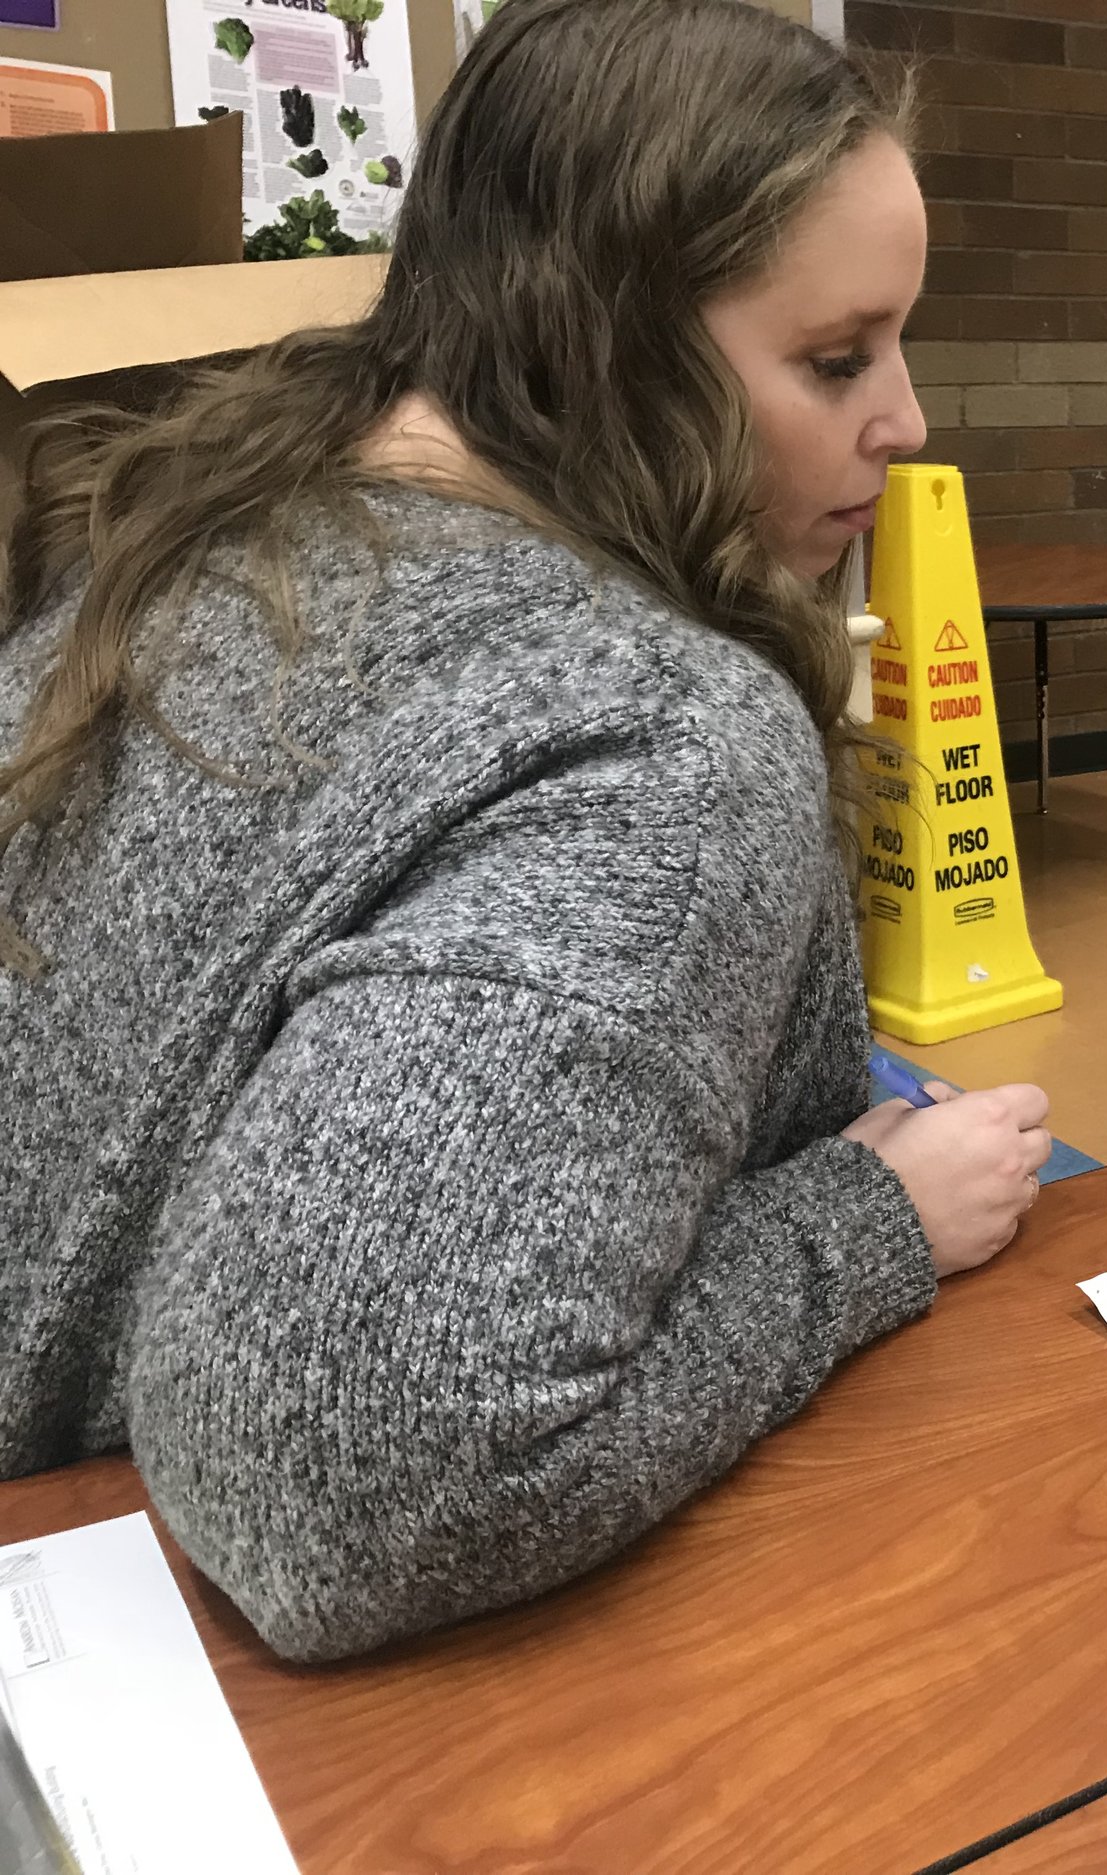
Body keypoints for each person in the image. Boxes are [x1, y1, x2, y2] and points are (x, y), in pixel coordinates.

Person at [0, 0, 1051, 1662]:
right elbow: (339, 1484)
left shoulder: (213, 538)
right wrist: (863, 1232)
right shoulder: (655, 734)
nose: (905, 420)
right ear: (602, 345)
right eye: (837, 358)